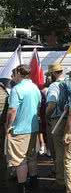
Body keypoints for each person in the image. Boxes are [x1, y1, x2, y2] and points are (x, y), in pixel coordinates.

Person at [5, 65, 41, 193]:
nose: (12, 76)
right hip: (33, 128)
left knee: (20, 160)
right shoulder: (35, 88)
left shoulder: (17, 89)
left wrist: (8, 125)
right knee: (31, 157)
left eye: (14, 73)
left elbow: (12, 110)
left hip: (19, 129)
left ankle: (22, 186)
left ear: (19, 73)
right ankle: (34, 181)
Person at [45, 63, 67, 190]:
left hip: (57, 120)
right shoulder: (70, 83)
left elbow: (52, 104)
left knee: (59, 152)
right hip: (70, 119)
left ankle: (60, 180)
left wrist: (47, 116)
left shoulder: (54, 85)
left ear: (53, 73)